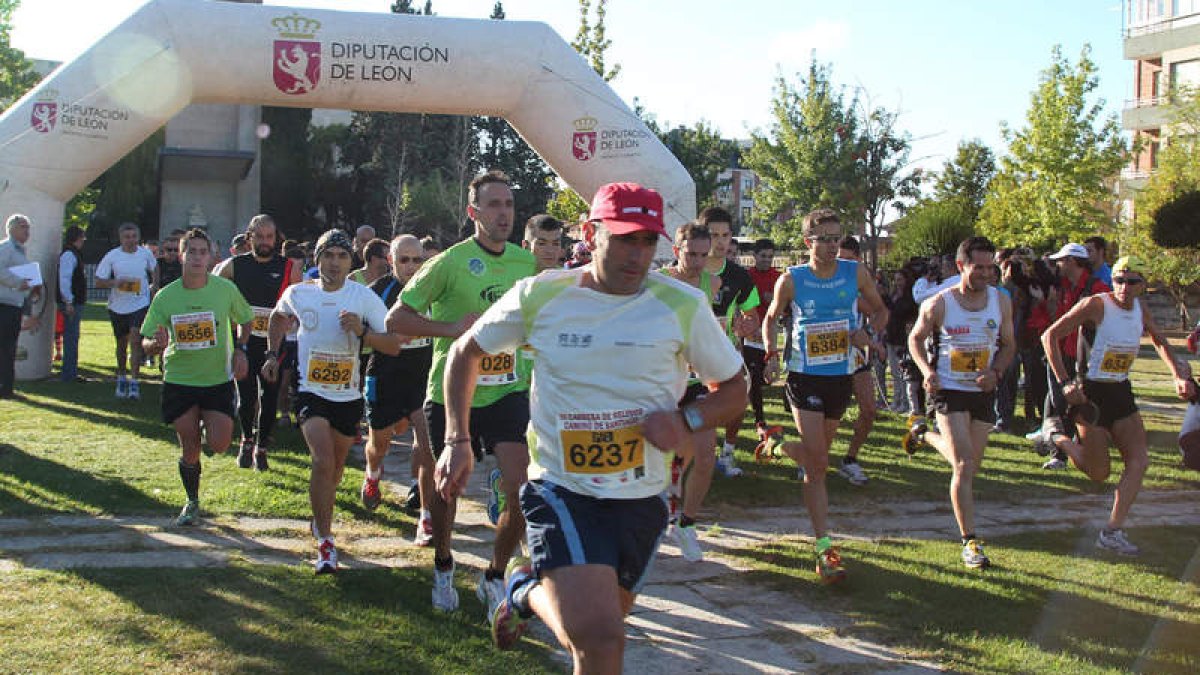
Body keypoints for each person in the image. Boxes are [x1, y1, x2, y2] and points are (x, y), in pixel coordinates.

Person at [435, 181, 746, 669]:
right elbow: (463, 353)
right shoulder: (542, 295)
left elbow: (733, 388)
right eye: (625, 238)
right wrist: (457, 438)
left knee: (607, 621)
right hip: (562, 488)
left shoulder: (681, 305)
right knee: (601, 641)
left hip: (642, 497)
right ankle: (529, 590)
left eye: (648, 240)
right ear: (590, 232)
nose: (638, 254)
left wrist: (687, 418)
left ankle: (522, 591)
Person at [385, 170, 536, 613]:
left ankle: (493, 575)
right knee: (447, 489)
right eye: (493, 204)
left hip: (507, 389)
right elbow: (397, 320)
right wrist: (449, 328)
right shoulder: (448, 262)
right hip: (452, 391)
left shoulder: (526, 264)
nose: (503, 213)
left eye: (508, 204)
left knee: (522, 487)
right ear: (473, 212)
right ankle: (444, 564)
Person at [761, 208, 887, 583]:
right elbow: (772, 317)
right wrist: (770, 354)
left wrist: (870, 335)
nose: (832, 246)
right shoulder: (793, 279)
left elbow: (880, 312)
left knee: (819, 462)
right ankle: (824, 548)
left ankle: (777, 442)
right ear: (807, 242)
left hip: (840, 377)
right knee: (817, 464)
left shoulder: (855, 273)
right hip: (804, 376)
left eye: (837, 239)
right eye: (824, 239)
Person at [261, 229, 394, 574]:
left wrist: (362, 331)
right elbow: (277, 317)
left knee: (333, 470)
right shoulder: (299, 294)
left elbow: (392, 344)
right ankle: (326, 540)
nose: (334, 263)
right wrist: (272, 355)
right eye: (328, 256)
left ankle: (321, 519)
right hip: (310, 393)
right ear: (317, 260)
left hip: (348, 397)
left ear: (351, 262)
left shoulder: (363, 297)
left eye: (342, 257)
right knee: (321, 461)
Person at [1042, 256, 1193, 555]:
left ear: (1143, 285)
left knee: (1139, 462)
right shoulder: (1096, 305)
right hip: (1090, 395)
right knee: (1099, 472)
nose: (1124, 287)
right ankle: (1057, 436)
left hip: (1120, 391)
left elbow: (1160, 341)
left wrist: (1177, 375)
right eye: (1119, 280)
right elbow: (1050, 336)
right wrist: (1064, 383)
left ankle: (1112, 531)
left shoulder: (1140, 308)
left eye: (1132, 281)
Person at [907, 236, 1015, 569]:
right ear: (960, 266)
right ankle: (970, 542)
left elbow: (1009, 345)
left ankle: (922, 435)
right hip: (947, 390)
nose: (985, 273)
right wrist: (926, 371)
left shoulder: (1001, 301)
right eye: (977, 267)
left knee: (969, 465)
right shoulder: (939, 303)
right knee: (964, 465)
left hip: (982, 390)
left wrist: (996, 372)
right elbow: (915, 338)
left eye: (989, 267)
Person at [140, 228, 253, 526]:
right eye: (192, 251)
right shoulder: (166, 296)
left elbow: (246, 319)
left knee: (218, 444)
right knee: (189, 448)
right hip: (180, 379)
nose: (197, 258)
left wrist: (241, 349)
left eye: (203, 252)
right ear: (181, 256)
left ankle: (208, 435)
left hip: (217, 379)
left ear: (211, 257)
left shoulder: (225, 290)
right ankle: (192, 501)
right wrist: (155, 344)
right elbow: (146, 339)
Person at [360, 234, 436, 547]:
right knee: (380, 444)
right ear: (391, 261)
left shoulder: (435, 290)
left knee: (428, 445)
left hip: (422, 378)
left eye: (417, 259)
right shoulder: (377, 292)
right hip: (385, 377)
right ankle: (372, 473)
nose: (411, 266)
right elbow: (359, 335)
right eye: (404, 260)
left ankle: (427, 516)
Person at [658, 222, 721, 561]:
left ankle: (687, 522)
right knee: (666, 450)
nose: (697, 261)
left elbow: (714, 328)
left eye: (702, 255)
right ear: (676, 250)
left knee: (706, 454)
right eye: (690, 254)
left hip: (698, 382)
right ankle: (662, 504)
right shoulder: (661, 282)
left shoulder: (714, 283)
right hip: (665, 380)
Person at [220, 214, 303, 470]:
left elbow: (299, 302)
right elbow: (217, 297)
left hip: (274, 343)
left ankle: (262, 448)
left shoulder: (289, 267)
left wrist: (292, 319)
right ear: (249, 237)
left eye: (270, 236)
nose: (266, 241)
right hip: (243, 341)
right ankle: (246, 440)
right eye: (260, 236)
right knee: (245, 397)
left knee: (269, 397)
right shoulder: (233, 266)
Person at [699, 206, 760, 477]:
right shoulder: (690, 269)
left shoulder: (739, 275)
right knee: (697, 406)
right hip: (691, 354)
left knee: (738, 402)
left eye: (726, 235)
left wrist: (747, 325)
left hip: (727, 350)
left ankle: (727, 455)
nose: (721, 241)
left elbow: (753, 315)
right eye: (714, 235)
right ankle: (697, 457)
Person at [1038, 243, 1110, 469]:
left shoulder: (1096, 288)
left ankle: (1073, 448)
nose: (1057, 265)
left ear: (1071, 261)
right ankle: (1058, 450)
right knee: (1057, 402)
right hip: (1060, 352)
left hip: (1084, 357)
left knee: (1077, 404)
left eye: (1061, 260)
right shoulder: (1065, 287)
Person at [835, 235, 884, 486]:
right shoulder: (818, 280)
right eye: (840, 259)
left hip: (853, 354)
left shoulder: (857, 282)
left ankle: (850, 459)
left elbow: (879, 311)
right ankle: (810, 459)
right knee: (822, 413)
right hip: (823, 355)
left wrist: (870, 336)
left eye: (851, 261)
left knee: (869, 409)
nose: (845, 265)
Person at [95, 222, 159, 400]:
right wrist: (115, 282)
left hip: (139, 303)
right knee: (121, 344)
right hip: (118, 306)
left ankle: (134, 382)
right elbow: (98, 281)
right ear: (121, 238)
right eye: (127, 237)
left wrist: (155, 286)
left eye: (134, 237)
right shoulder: (112, 256)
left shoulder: (145, 253)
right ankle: (122, 376)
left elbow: (154, 267)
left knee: (135, 339)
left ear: (138, 238)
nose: (131, 240)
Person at [745, 238, 783, 443]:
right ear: (754, 256)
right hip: (751, 336)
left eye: (770, 256)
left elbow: (786, 308)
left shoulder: (779, 278)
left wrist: (776, 303)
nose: (767, 260)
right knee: (754, 378)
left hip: (771, 335)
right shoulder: (747, 276)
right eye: (763, 256)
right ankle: (760, 421)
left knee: (766, 378)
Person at [0, 215, 42, 399]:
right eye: (23, 227)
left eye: (28, 227)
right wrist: (19, 283)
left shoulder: (19, 251)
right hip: (4, 304)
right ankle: (5, 388)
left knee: (9, 347)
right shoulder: (6, 248)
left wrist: (33, 286)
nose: (27, 231)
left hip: (15, 304)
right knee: (5, 347)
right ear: (12, 229)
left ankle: (7, 388)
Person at [57, 226, 88, 383]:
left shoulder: (72, 253)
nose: (84, 241)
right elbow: (64, 279)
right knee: (71, 337)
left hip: (74, 302)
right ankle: (69, 374)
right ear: (78, 237)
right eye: (82, 237)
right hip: (72, 303)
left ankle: (71, 372)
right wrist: (68, 301)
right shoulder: (69, 254)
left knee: (72, 337)